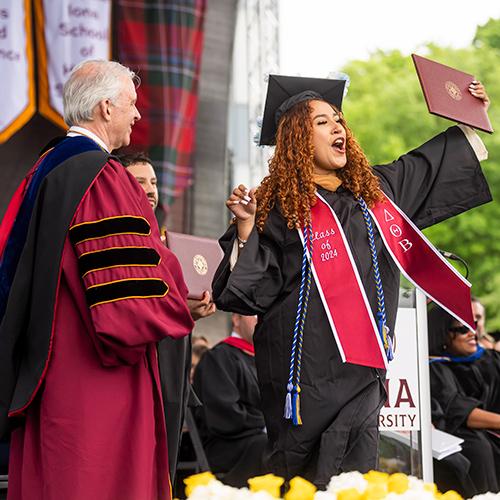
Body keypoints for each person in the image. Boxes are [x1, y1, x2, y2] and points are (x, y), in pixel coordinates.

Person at [212, 74, 492, 488]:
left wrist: (471, 117)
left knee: (355, 479)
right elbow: (248, 292)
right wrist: (247, 228)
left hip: (362, 370)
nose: (338, 127)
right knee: (302, 482)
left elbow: (431, 167)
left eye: (338, 120)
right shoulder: (274, 209)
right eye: (322, 122)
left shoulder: (376, 194)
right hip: (303, 376)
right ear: (296, 140)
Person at [0, 60, 195, 500]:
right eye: (132, 103)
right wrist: (180, 300)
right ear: (106, 108)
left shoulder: (43, 168)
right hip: (93, 375)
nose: (138, 115)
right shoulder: (101, 176)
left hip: (45, 369)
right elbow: (134, 294)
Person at [117, 150, 215, 484]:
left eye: (154, 182)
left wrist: (193, 312)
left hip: (173, 361)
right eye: (139, 181)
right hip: (140, 364)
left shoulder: (167, 242)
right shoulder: (119, 239)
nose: (150, 189)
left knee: (166, 462)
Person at [428, 305, 500, 494]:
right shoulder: (435, 368)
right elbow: (459, 410)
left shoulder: (491, 359)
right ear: (442, 333)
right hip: (465, 435)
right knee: (478, 448)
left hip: (492, 431)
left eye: (473, 325)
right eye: (462, 329)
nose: (472, 333)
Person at [193, 313, 267, 487]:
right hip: (228, 446)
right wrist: (268, 423)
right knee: (272, 446)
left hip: (256, 439)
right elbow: (224, 415)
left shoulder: (266, 360)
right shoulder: (219, 358)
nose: (260, 319)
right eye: (254, 314)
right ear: (236, 319)